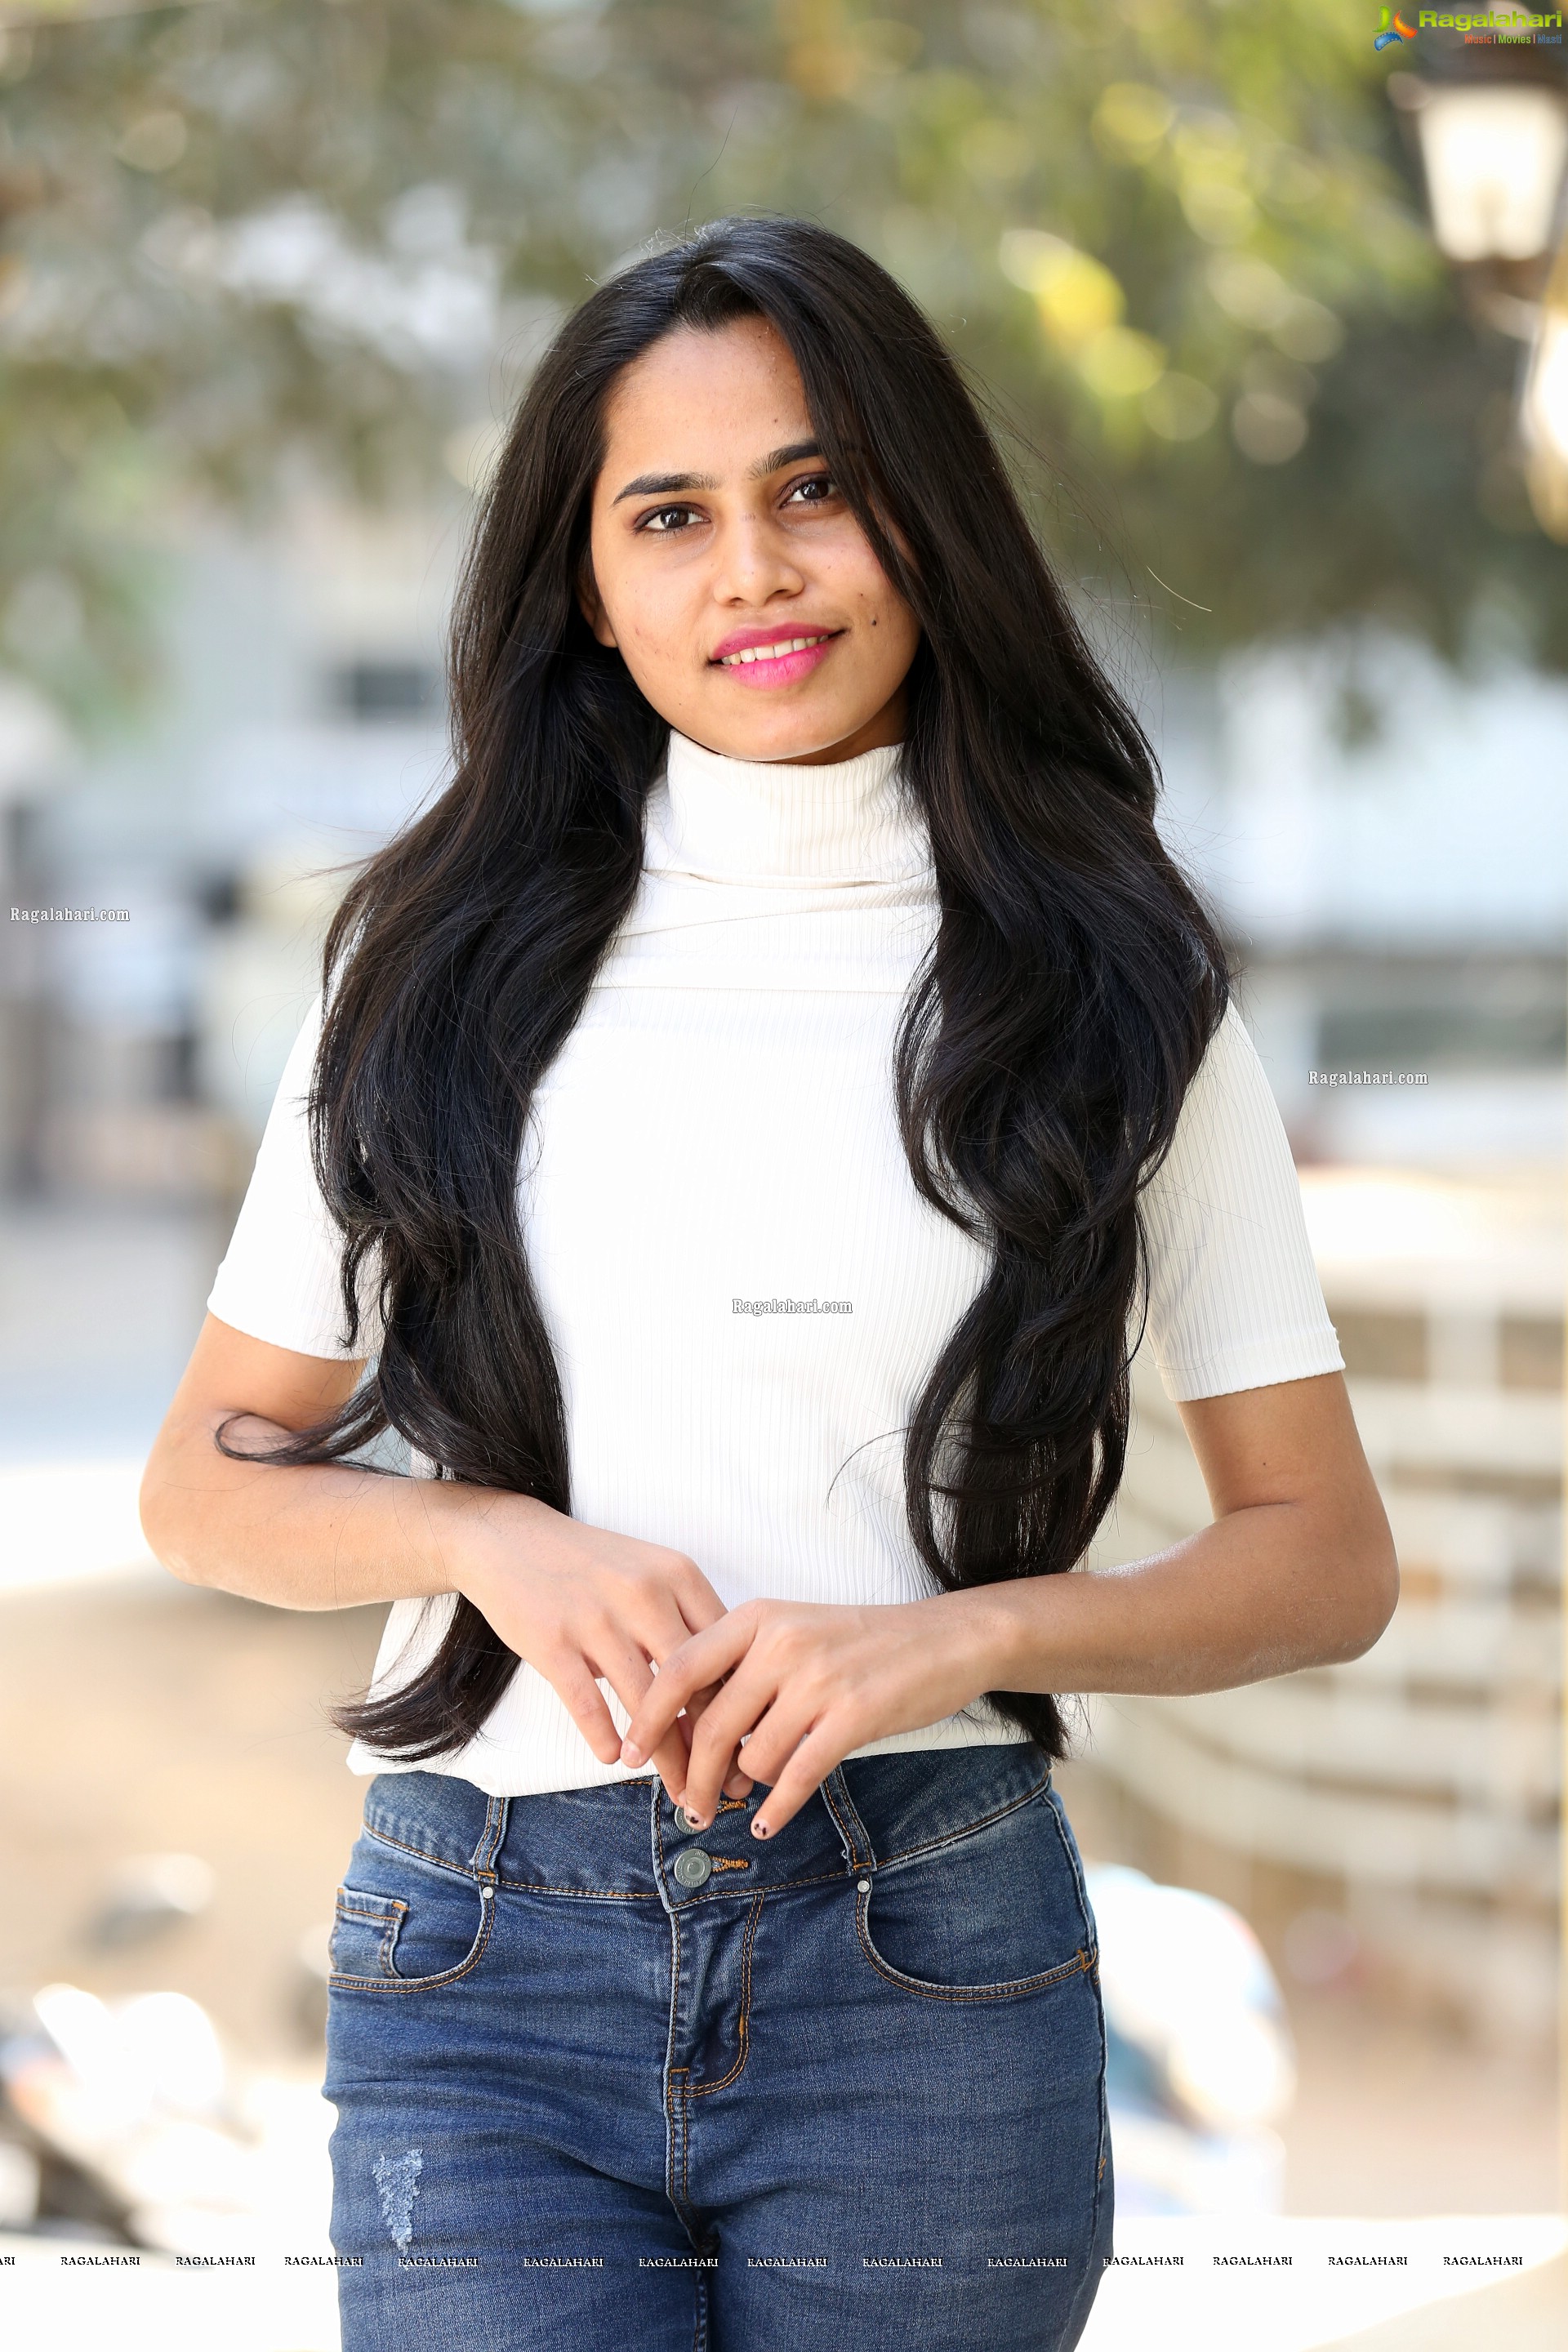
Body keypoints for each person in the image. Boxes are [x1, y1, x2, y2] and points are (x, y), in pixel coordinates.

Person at [139, 216, 1398, 2352]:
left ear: (925, 515)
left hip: (934, 1949)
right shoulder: (423, 966)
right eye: (671, 516)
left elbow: (1326, 1560)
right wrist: (484, 1541)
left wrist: (952, 1642)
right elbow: (204, 1481)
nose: (756, 569)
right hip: (478, 1962)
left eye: (815, 488)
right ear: (589, 587)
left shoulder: (1108, 984)